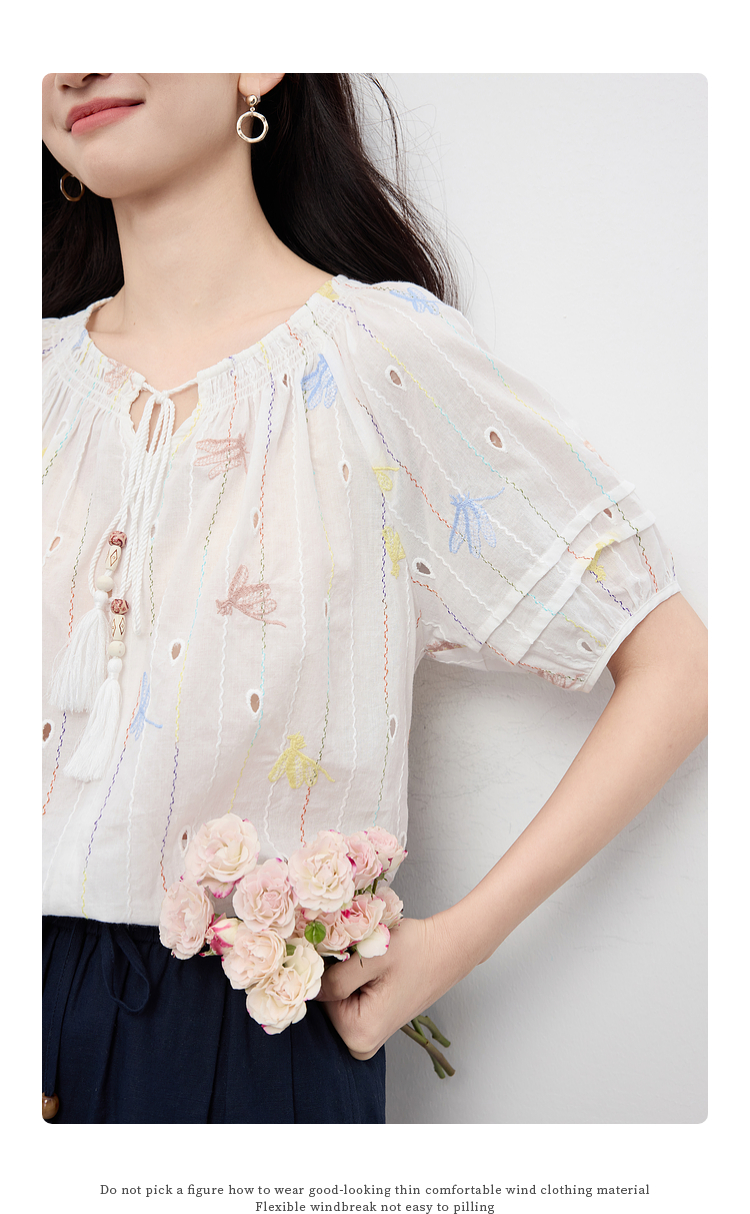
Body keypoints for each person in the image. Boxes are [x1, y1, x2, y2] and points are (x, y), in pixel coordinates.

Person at [42, 73, 708, 1125]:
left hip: (241, 1042)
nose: (75, 61)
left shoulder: (378, 359)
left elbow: (678, 665)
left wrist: (454, 943)